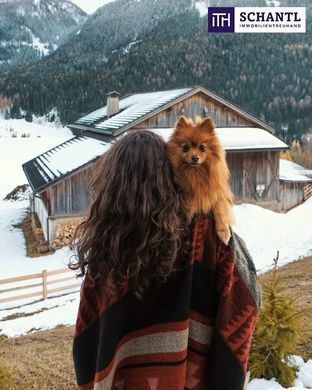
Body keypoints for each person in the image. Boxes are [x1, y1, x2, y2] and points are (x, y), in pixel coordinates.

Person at [70, 130, 261, 390]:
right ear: (170, 175)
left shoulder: (105, 253)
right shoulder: (204, 235)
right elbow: (247, 294)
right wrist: (228, 240)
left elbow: (85, 345)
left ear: (110, 185)